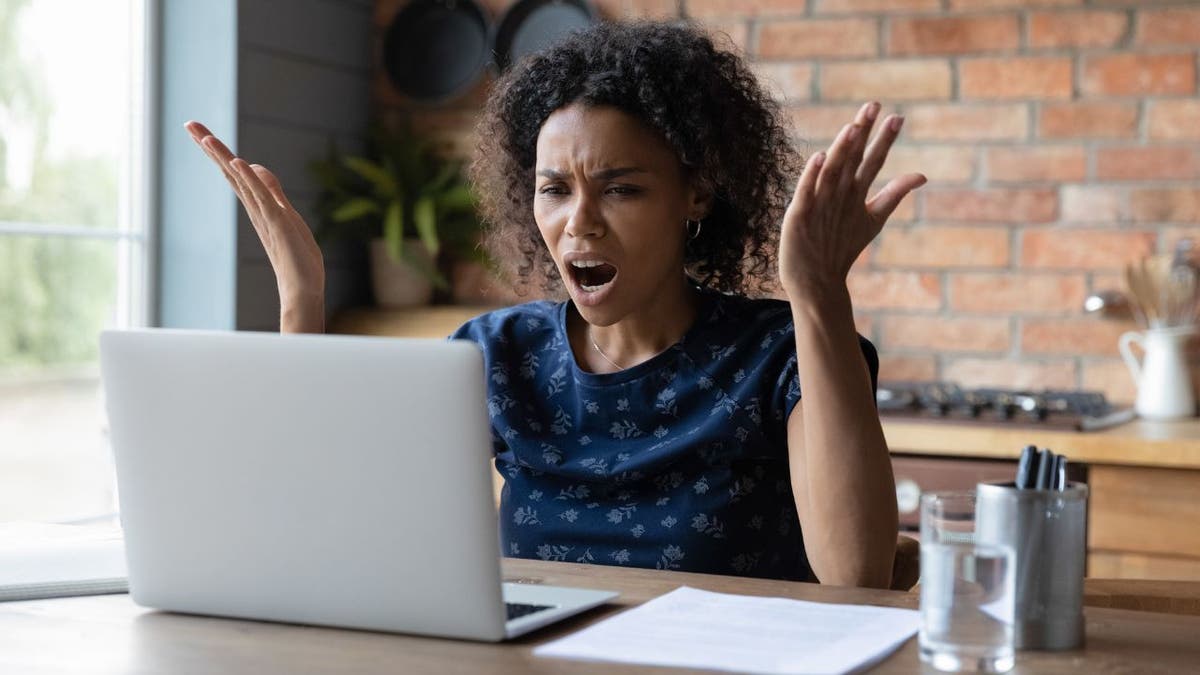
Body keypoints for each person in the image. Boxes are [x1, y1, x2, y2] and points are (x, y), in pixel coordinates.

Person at [185, 20, 924, 588]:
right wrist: (301, 300)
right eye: (555, 188)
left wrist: (820, 293)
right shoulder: (497, 354)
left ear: (694, 195)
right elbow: (339, 527)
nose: (580, 222)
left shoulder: (781, 351)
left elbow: (856, 574)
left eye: (621, 187)